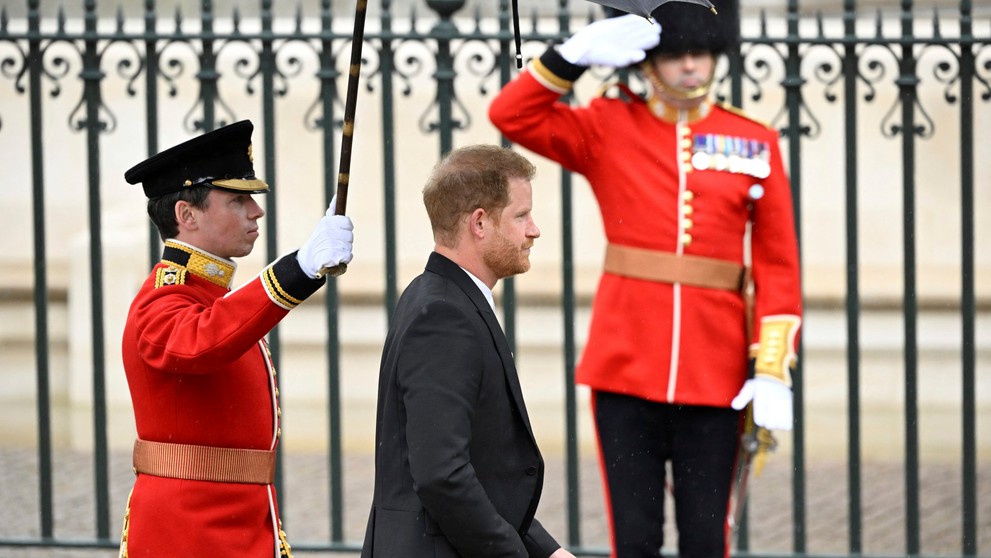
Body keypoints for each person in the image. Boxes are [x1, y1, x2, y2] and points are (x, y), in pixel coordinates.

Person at [489, 2, 802, 557]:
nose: (690, 67)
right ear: (647, 63)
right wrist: (572, 56)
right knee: (635, 538)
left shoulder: (753, 142)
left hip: (717, 370)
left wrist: (772, 365)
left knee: (707, 539)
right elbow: (513, 116)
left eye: (699, 53)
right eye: (674, 55)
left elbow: (778, 262)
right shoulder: (609, 125)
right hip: (626, 364)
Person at [118, 120, 354, 557]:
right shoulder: (162, 299)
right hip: (187, 532)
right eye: (237, 199)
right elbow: (202, 342)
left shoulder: (211, 295)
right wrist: (298, 269)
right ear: (186, 216)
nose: (256, 211)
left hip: (243, 520)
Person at [360, 145, 575, 558]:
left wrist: (547, 551)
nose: (534, 230)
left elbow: (480, 464)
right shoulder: (444, 315)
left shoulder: (445, 298)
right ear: (479, 222)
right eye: (520, 215)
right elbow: (443, 475)